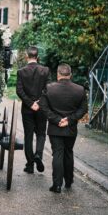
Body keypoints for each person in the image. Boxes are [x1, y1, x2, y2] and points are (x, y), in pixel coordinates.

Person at [39, 64, 87, 193]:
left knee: (58, 154)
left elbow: (43, 107)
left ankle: (57, 185)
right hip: (70, 128)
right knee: (68, 153)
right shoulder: (80, 90)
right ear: (70, 75)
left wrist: (56, 119)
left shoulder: (48, 89)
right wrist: (69, 120)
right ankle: (69, 181)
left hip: (55, 128)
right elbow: (83, 109)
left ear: (58, 74)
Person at [16, 46, 50, 174]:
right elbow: (48, 89)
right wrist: (39, 102)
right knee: (41, 133)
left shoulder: (21, 71)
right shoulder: (45, 70)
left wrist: (30, 104)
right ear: (38, 57)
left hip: (27, 109)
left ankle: (30, 165)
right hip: (42, 109)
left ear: (27, 56)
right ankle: (38, 155)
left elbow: (19, 91)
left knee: (28, 136)